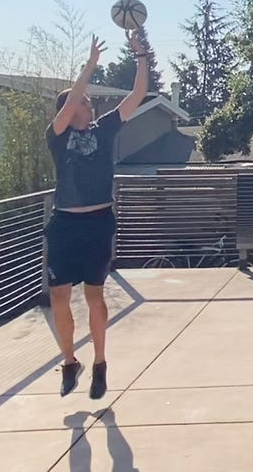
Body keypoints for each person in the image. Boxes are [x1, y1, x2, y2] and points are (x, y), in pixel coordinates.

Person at [45, 32, 148, 398]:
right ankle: (70, 362)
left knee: (94, 296)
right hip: (64, 225)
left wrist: (140, 55)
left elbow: (137, 95)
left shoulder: (104, 129)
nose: (85, 107)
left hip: (97, 223)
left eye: (87, 104)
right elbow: (71, 99)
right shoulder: (56, 135)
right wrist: (88, 67)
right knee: (58, 296)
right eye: (79, 104)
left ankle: (100, 364)